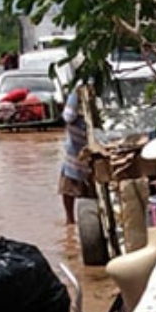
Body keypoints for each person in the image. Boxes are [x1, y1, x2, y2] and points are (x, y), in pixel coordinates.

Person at [58, 85, 94, 224]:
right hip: (89, 142)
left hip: (77, 145)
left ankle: (70, 220)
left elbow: (68, 116)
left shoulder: (77, 89)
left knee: (68, 186)